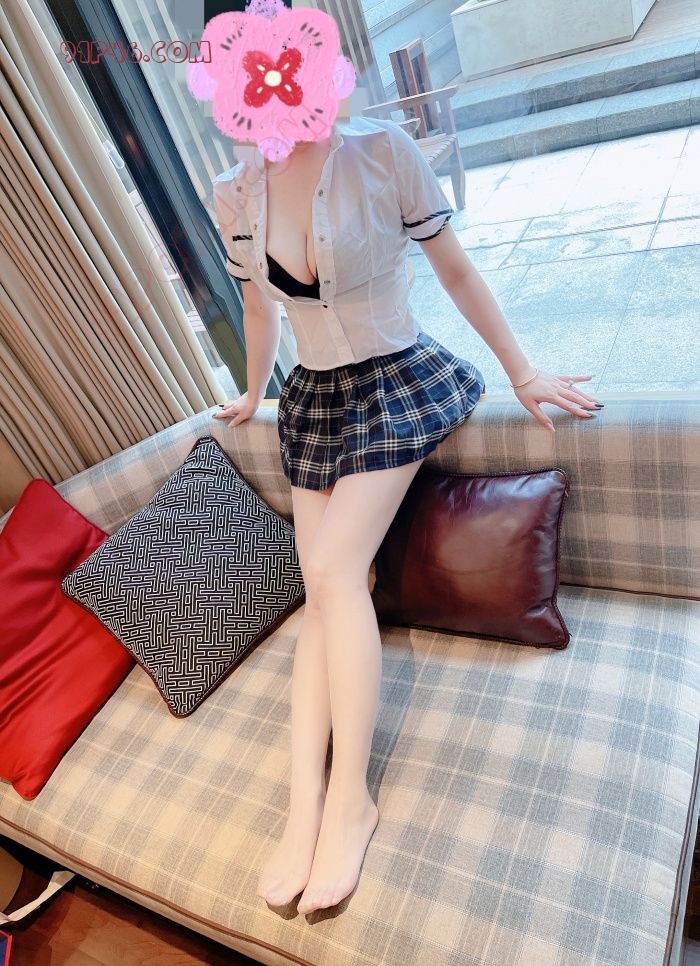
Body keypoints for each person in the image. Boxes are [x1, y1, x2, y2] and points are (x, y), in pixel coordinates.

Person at [211, 103, 603, 916]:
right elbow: (258, 307)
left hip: (396, 381)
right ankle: (305, 804)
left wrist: (523, 370)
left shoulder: (381, 151)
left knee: (331, 570)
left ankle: (351, 799)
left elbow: (454, 270)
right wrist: (251, 393)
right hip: (313, 398)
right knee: (322, 592)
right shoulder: (237, 189)